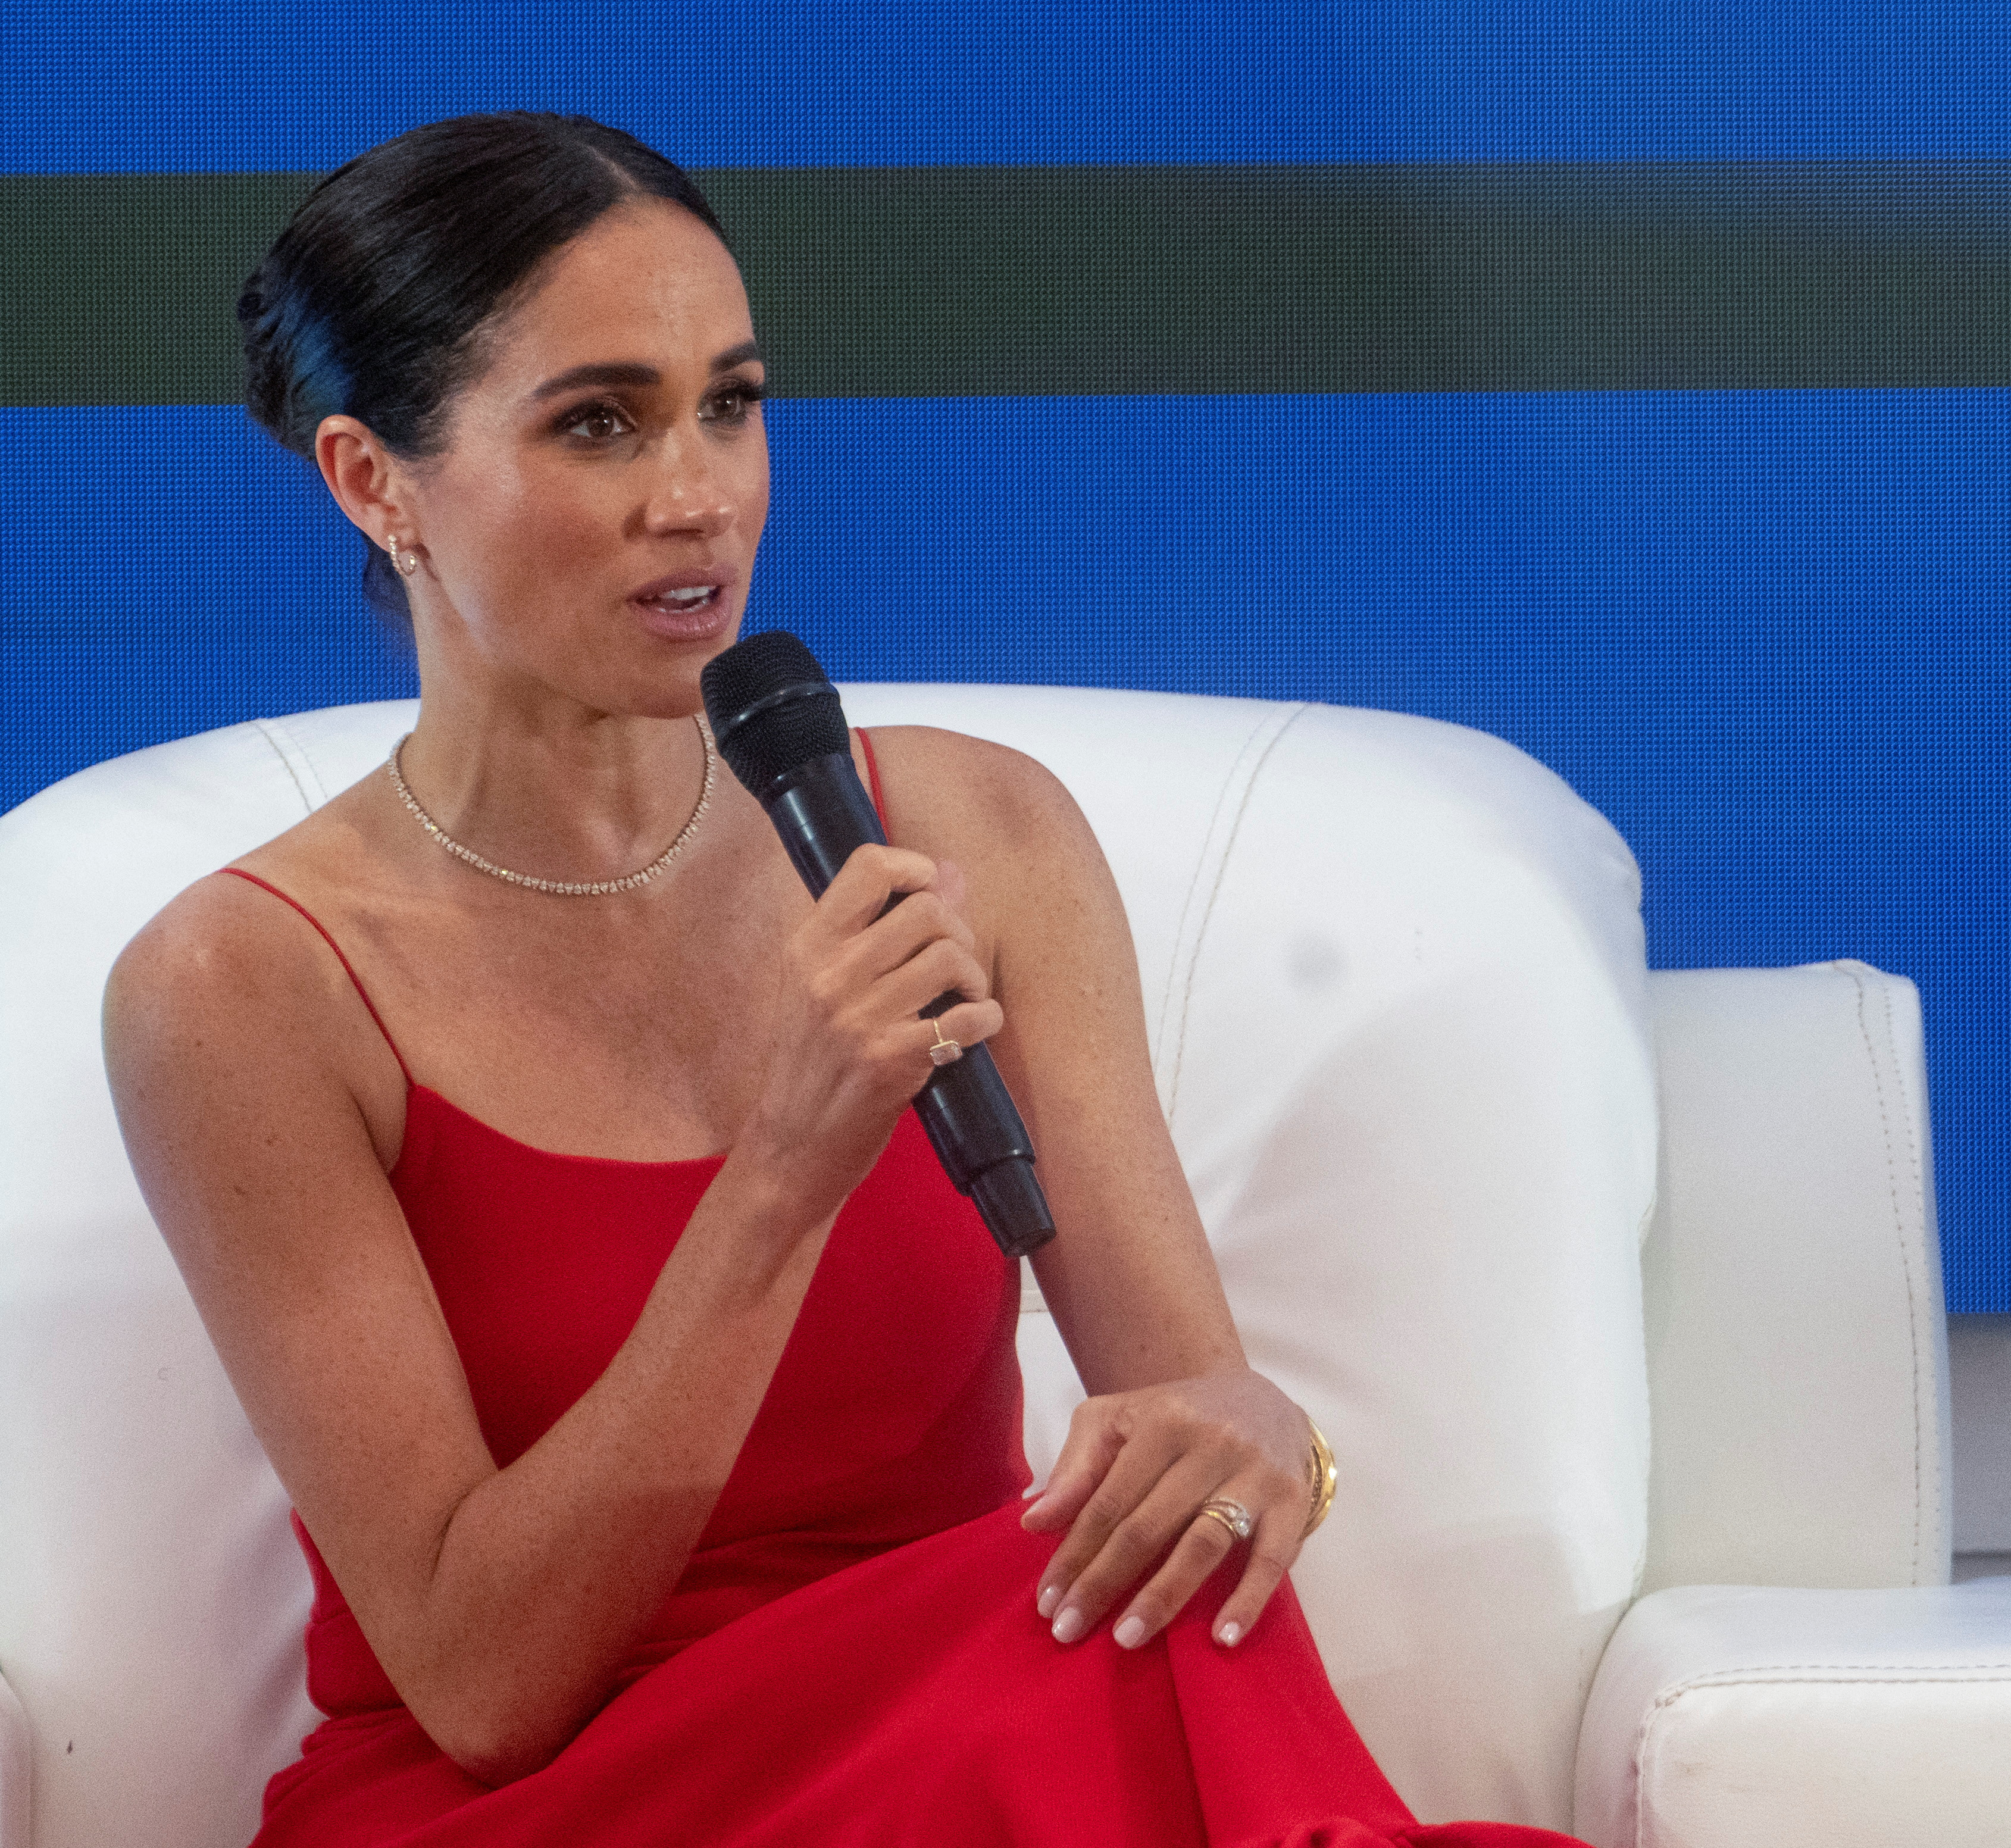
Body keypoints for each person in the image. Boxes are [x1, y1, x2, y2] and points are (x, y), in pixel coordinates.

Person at [102, 112, 1585, 1847]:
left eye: (729, 402)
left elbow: (1180, 1421)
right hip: (542, 1800)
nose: (699, 497)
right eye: (601, 422)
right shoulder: (238, 987)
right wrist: (782, 1172)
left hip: (970, 1758)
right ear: (375, 481)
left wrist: (1255, 1440)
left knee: (1128, 1606)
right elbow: (484, 1683)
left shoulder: (976, 830)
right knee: (1086, 1655)